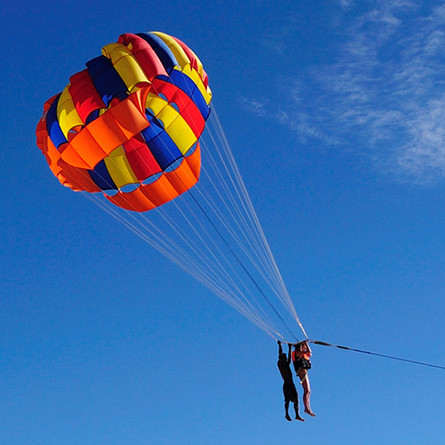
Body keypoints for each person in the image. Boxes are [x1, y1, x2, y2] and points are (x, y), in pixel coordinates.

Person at [277, 341, 304, 422]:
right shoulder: (281, 364)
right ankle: (287, 413)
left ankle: (297, 415)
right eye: (284, 357)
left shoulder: (285, 363)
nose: (286, 358)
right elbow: (281, 354)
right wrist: (280, 345)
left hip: (291, 384)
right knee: (287, 400)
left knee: (296, 399)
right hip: (287, 384)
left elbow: (289, 357)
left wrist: (289, 348)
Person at [292, 341, 316, 417]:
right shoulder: (296, 353)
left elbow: (310, 353)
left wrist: (306, 344)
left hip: (305, 372)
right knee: (307, 390)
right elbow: (307, 352)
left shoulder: (303, 354)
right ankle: (306, 408)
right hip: (301, 372)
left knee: (308, 391)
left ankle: (307, 407)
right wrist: (305, 344)